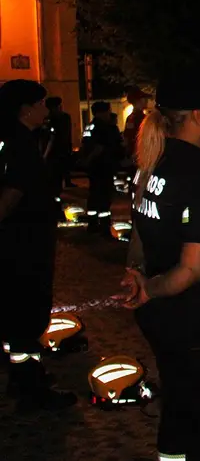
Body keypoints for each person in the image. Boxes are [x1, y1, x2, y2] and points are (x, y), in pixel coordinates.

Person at [117, 74, 200, 460]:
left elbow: (139, 228)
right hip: (199, 317)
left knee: (178, 405)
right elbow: (194, 269)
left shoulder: (152, 161)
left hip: (164, 315)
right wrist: (148, 287)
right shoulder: (199, 177)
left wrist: (136, 274)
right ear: (199, 115)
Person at [0, 79, 77, 411]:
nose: (47, 109)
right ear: (27, 108)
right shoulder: (19, 143)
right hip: (25, 243)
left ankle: (24, 378)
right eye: (42, 103)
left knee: (15, 312)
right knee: (27, 313)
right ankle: (30, 388)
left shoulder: (9, 139)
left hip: (15, 240)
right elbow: (14, 192)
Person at [80, 101, 125, 235]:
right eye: (107, 111)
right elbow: (101, 148)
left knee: (94, 194)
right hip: (103, 166)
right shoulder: (106, 128)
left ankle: (92, 224)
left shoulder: (90, 126)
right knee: (104, 196)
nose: (109, 113)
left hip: (93, 167)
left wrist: (85, 161)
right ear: (102, 112)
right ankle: (104, 226)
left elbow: (85, 146)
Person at [45, 97, 74, 188]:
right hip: (53, 149)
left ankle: (66, 182)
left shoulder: (64, 117)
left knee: (64, 167)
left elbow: (67, 133)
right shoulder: (49, 118)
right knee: (55, 170)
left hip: (62, 147)